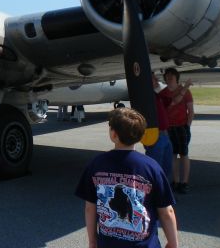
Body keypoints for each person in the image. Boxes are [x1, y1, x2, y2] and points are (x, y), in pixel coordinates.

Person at [75, 108, 178, 248]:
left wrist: (93, 241)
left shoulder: (96, 164)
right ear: (141, 135)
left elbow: (90, 208)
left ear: (114, 134)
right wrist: (173, 243)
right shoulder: (152, 167)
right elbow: (166, 212)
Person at [162, 67, 195, 194]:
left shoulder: (185, 92)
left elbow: (191, 111)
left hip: (182, 127)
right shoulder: (164, 93)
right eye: (167, 76)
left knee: (184, 154)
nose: (169, 78)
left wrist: (187, 126)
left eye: (172, 76)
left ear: (176, 78)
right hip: (168, 128)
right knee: (172, 155)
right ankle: (176, 181)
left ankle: (184, 182)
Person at [144, 74, 173, 183]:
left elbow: (168, 100)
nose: (157, 80)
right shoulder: (145, 96)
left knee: (166, 167)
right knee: (155, 168)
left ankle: (162, 193)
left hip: (164, 135)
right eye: (154, 78)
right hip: (155, 135)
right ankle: (155, 196)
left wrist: (162, 88)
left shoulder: (156, 95)